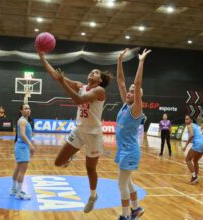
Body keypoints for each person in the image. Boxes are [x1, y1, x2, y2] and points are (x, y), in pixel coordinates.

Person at [38, 51, 112, 213]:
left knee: (90, 169)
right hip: (79, 130)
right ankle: (71, 155)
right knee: (58, 163)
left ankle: (93, 196)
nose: (92, 73)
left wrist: (63, 83)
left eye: (96, 73)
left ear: (99, 80)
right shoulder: (80, 86)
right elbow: (55, 75)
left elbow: (78, 100)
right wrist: (42, 57)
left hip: (93, 134)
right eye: (91, 71)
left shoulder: (99, 91)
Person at [115, 48, 151, 220]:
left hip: (130, 151)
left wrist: (141, 62)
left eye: (132, 92)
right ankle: (136, 209)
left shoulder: (136, 109)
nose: (128, 92)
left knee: (121, 183)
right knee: (127, 182)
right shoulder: (125, 104)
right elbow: (121, 81)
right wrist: (119, 61)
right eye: (128, 91)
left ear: (137, 96)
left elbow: (136, 85)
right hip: (123, 149)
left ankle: (125, 215)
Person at [11, 104, 35, 200]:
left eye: (29, 108)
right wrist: (30, 145)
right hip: (22, 148)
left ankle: (14, 189)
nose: (28, 110)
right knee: (22, 171)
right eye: (25, 108)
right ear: (21, 111)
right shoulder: (22, 121)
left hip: (21, 147)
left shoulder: (24, 120)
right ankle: (19, 193)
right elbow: (22, 134)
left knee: (17, 169)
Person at [182, 115, 203, 184]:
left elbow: (192, 135)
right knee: (195, 160)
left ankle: (194, 176)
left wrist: (185, 146)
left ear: (191, 120)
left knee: (187, 159)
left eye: (187, 119)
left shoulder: (189, 126)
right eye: (185, 119)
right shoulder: (196, 125)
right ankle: (196, 176)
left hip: (198, 144)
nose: (186, 121)